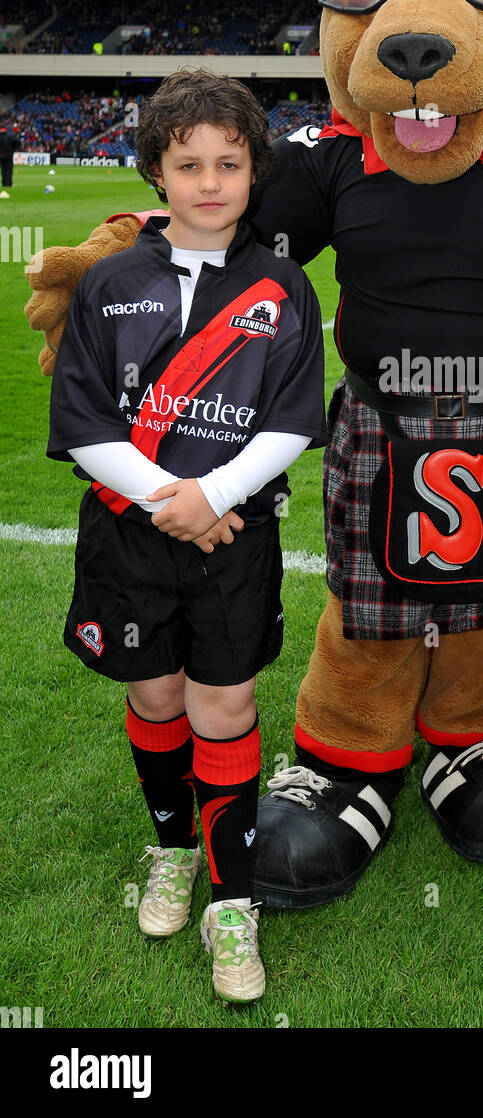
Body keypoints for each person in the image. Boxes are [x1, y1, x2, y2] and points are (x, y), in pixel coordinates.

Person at [48, 69, 327, 1003]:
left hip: (235, 533)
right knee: (157, 692)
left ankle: (232, 902)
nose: (210, 183)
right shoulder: (111, 282)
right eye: (188, 164)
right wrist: (176, 498)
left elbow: (290, 420)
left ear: (254, 174)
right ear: (157, 175)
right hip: (130, 533)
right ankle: (173, 850)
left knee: (223, 706)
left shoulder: (282, 285)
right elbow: (84, 423)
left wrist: (214, 493)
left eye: (230, 164)